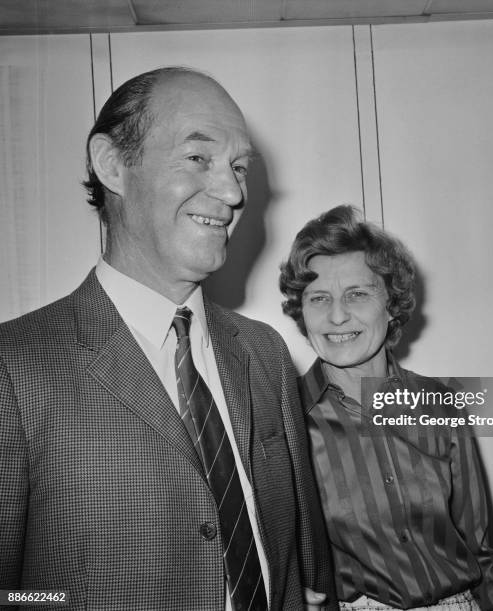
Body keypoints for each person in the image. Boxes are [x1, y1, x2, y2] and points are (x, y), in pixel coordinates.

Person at [0, 67, 335, 610]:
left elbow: (299, 563)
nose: (231, 192)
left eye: (238, 167)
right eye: (199, 158)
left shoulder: (265, 353)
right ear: (113, 165)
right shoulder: (14, 367)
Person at [279, 206, 493, 611]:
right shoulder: (281, 419)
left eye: (357, 294)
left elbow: (479, 552)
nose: (337, 316)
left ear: (391, 306)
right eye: (319, 298)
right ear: (302, 312)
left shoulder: (439, 406)